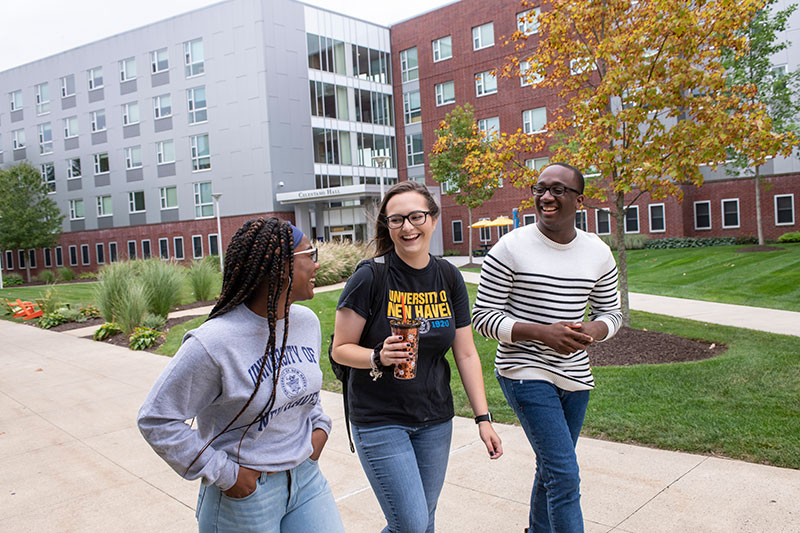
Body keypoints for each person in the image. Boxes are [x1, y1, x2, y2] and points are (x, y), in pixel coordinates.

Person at [138, 217, 344, 533]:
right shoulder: (214, 342)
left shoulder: (305, 322)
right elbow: (156, 419)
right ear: (281, 267)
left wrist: (319, 427)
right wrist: (225, 474)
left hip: (306, 479)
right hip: (246, 496)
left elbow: (304, 389)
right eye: (310, 255)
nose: (317, 266)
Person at [332, 180, 503, 533]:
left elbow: (467, 353)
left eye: (415, 216)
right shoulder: (370, 276)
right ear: (388, 227)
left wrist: (483, 417)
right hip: (380, 419)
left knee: (423, 523)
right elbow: (341, 349)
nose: (407, 227)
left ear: (433, 219)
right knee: (409, 524)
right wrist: (378, 356)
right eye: (396, 220)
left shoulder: (448, 276)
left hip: (435, 418)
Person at [472, 163, 623, 533]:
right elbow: (482, 317)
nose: (546, 197)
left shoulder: (598, 252)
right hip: (523, 371)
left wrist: (593, 329)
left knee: (553, 468)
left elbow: (612, 313)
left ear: (579, 200)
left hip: (574, 376)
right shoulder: (510, 247)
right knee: (565, 476)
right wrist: (543, 333)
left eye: (557, 190)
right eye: (540, 189)